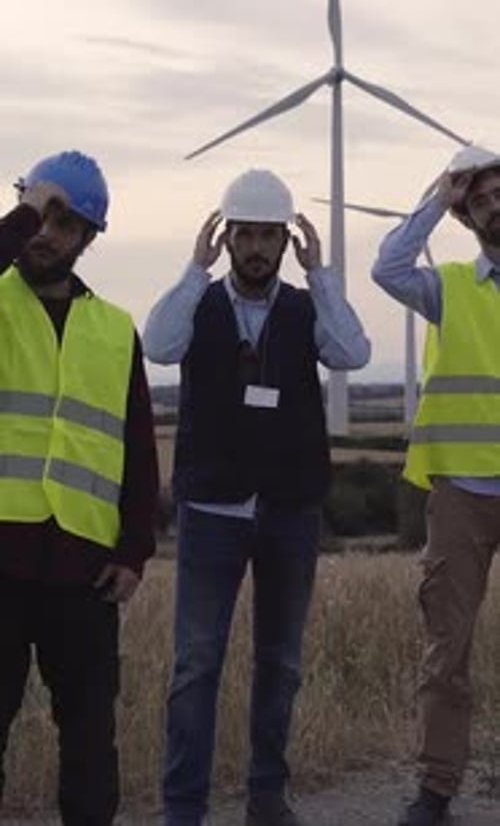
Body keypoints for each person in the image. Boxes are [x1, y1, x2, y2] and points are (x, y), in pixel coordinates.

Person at [143, 168, 371, 826]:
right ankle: (183, 808)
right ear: (225, 236)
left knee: (281, 660)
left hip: (289, 508)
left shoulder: (305, 309)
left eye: (269, 235)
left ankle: (266, 797)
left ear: (286, 239)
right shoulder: (200, 304)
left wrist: (322, 276)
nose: (256, 247)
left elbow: (353, 352)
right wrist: (194, 269)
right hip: (213, 508)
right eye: (244, 233)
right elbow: (159, 345)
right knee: (195, 664)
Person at [0, 151, 159, 825]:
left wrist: (133, 551)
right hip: (0, 562)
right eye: (42, 214)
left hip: (83, 569)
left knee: (91, 741)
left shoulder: (114, 329)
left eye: (66, 222)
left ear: (89, 237)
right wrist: (24, 211)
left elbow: (137, 448)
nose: (47, 232)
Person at [372, 145, 500, 826]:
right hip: (461, 493)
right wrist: (437, 198)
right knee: (446, 650)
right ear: (466, 214)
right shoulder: (446, 285)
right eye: (479, 198)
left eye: (499, 192)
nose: (494, 204)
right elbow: (387, 266)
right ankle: (437, 788)